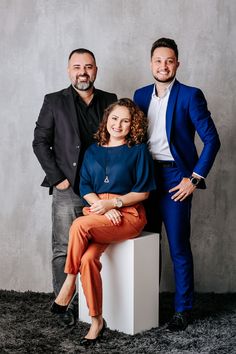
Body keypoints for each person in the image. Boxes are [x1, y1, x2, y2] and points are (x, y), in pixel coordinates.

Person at [50, 98, 156, 346]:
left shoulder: (138, 151)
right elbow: (85, 186)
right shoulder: (93, 150)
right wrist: (102, 207)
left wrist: (113, 204)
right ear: (107, 120)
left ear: (133, 125)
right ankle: (97, 320)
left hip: (128, 214)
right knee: (87, 259)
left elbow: (144, 192)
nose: (118, 124)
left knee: (78, 225)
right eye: (114, 118)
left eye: (125, 120)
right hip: (99, 211)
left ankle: (68, 282)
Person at [133, 38, 220, 331]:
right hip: (145, 177)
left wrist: (194, 178)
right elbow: (132, 140)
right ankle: (147, 305)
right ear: (150, 63)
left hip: (176, 179)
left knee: (178, 247)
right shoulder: (140, 95)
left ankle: (183, 310)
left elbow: (212, 140)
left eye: (169, 61)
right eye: (158, 60)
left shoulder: (190, 95)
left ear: (177, 64)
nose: (163, 66)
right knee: (146, 243)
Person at [33, 48, 117, 326]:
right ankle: (63, 304)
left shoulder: (110, 101)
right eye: (77, 67)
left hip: (102, 190)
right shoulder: (54, 101)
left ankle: (87, 304)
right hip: (67, 189)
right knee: (64, 248)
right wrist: (58, 178)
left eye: (89, 66)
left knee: (93, 248)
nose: (83, 72)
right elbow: (40, 142)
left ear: (96, 69)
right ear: (69, 71)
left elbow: (116, 142)